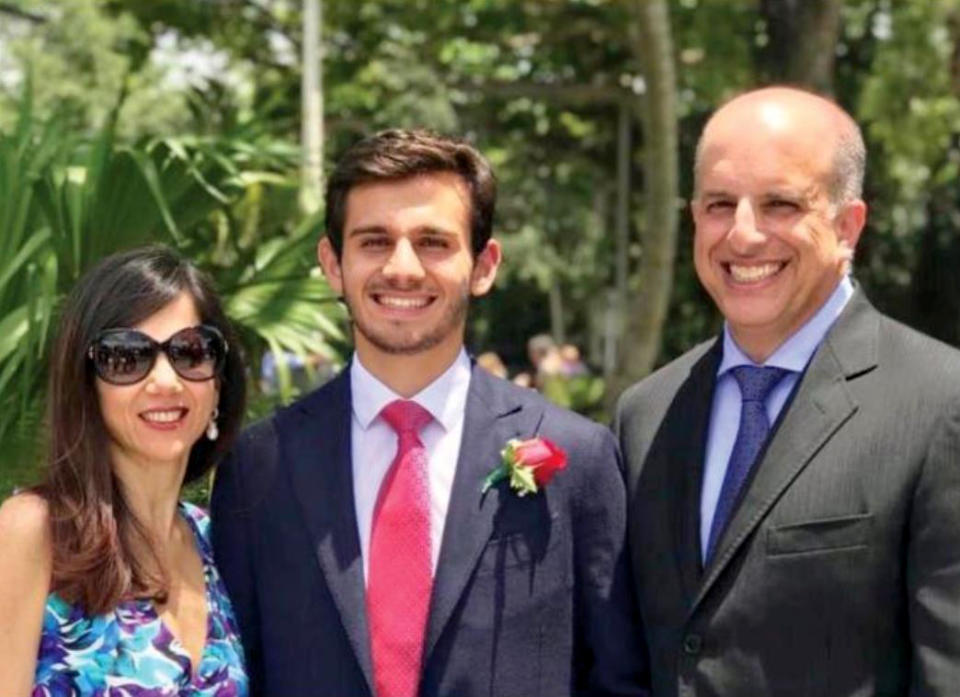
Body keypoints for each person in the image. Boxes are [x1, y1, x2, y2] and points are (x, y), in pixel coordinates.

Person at [212, 129, 648, 697]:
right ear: (332, 263)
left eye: (433, 242)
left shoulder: (579, 459)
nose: (403, 268)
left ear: (484, 265)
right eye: (373, 241)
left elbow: (618, 681)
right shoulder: (259, 466)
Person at [615, 86, 960, 696]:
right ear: (694, 216)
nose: (743, 235)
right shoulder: (646, 413)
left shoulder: (940, 403)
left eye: (780, 204)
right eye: (720, 204)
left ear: (848, 224)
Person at [0, 246, 248, 696]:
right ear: (87, 384)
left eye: (190, 352)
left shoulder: (219, 542)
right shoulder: (32, 531)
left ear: (219, 381)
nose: (165, 381)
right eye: (126, 357)